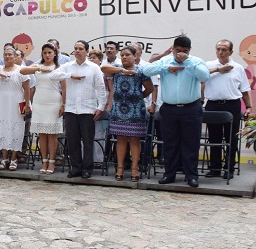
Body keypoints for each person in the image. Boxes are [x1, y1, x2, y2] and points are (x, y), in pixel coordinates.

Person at [143, 36, 210, 187]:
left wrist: (187, 61)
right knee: (170, 143)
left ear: (189, 51)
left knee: (191, 144)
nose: (180, 54)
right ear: (172, 48)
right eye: (178, 51)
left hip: (191, 108)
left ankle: (191, 176)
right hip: (169, 109)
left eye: (184, 51)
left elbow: (205, 76)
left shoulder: (195, 61)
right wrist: (167, 68)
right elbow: (146, 69)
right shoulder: (166, 61)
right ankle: (169, 174)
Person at [101, 46, 154, 181]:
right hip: (119, 108)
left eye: (127, 55)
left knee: (135, 139)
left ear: (135, 56)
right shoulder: (117, 69)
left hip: (136, 109)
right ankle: (120, 169)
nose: (124, 57)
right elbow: (103, 69)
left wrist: (138, 96)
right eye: (123, 55)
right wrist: (121, 69)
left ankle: (135, 169)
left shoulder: (141, 71)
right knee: (121, 139)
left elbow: (150, 88)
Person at [57, 40, 108, 179]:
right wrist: (69, 75)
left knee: (87, 141)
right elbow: (52, 75)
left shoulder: (94, 67)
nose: (77, 51)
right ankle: (76, 168)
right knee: (72, 141)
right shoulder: (67, 66)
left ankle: (87, 168)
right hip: (71, 109)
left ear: (86, 51)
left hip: (88, 109)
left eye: (80, 48)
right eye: (75, 49)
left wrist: (100, 107)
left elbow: (101, 89)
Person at [202, 39, 252, 178]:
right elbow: (201, 77)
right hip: (213, 104)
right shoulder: (209, 65)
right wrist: (218, 69)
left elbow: (245, 90)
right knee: (214, 138)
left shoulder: (238, 68)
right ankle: (215, 167)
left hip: (232, 105)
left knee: (231, 138)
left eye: (224, 49)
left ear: (231, 52)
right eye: (218, 49)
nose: (220, 52)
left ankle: (229, 168)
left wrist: (248, 107)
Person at [0, 47, 30, 170]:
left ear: (15, 57)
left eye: (10, 55)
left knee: (15, 130)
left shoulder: (21, 70)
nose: (8, 57)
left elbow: (27, 89)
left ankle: (14, 158)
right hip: (0, 105)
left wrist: (27, 104)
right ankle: (4, 159)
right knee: (2, 130)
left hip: (16, 104)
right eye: (6, 55)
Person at [22, 43, 66, 174]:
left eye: (50, 53)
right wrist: (40, 69)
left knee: (52, 134)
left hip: (54, 102)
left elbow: (64, 88)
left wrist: (63, 104)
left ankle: (52, 162)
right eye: (45, 53)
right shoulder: (37, 66)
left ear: (55, 54)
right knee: (42, 134)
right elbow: (22, 71)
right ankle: (44, 161)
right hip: (39, 101)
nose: (47, 55)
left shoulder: (60, 68)